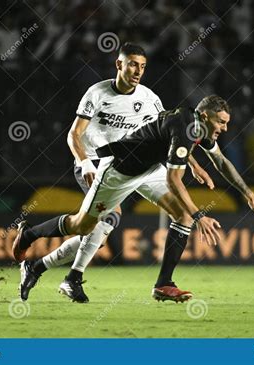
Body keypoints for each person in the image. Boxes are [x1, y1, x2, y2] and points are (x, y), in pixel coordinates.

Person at [13, 95, 254, 302]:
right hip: (119, 172)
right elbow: (174, 180)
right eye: (221, 122)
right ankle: (29, 236)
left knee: (181, 215)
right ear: (205, 115)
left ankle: (164, 283)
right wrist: (200, 215)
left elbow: (220, 160)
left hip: (149, 170)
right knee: (82, 226)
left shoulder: (196, 125)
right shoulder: (186, 126)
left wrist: (249, 194)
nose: (224, 128)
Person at [18, 43, 213, 303]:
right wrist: (84, 161)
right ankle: (52, 259)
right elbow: (74, 134)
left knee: (182, 215)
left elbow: (169, 134)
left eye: (142, 66)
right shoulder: (97, 93)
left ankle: (163, 284)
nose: (137, 71)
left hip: (143, 166)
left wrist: (193, 163)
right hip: (99, 164)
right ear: (119, 64)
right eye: (132, 64)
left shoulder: (149, 99)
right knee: (100, 222)